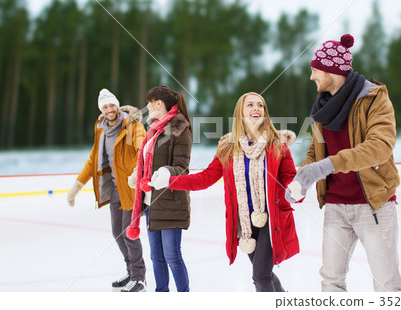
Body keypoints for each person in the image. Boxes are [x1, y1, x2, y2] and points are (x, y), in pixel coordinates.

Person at [286, 34, 401, 292]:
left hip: (374, 205)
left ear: (331, 70)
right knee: (331, 281)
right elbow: (316, 154)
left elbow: (379, 147)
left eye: (315, 70)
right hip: (336, 206)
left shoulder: (374, 99)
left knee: (387, 284)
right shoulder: (321, 108)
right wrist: (301, 179)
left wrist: (325, 165)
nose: (312, 77)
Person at [151, 92, 301, 292]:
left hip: (271, 220)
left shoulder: (277, 145)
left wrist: (296, 188)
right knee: (264, 273)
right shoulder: (227, 148)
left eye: (260, 105)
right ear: (240, 112)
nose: (256, 108)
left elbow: (289, 177)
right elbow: (204, 179)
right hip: (245, 223)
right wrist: (170, 181)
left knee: (261, 276)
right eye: (250, 105)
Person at [66, 88, 147, 292]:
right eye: (105, 106)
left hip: (131, 187)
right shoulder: (101, 130)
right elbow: (93, 160)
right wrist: (77, 186)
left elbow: (144, 150)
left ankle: (139, 277)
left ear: (117, 105)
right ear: (101, 110)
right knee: (117, 233)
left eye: (112, 105)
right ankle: (130, 272)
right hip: (114, 189)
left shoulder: (133, 127)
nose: (109, 109)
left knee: (130, 232)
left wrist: (138, 172)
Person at [126, 86, 192, 292]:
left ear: (159, 103)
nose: (146, 106)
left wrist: (165, 172)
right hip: (150, 202)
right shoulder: (155, 129)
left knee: (172, 256)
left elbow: (181, 167)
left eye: (149, 102)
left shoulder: (180, 127)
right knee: (157, 257)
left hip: (171, 201)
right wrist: (138, 173)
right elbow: (148, 161)